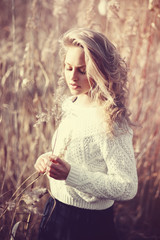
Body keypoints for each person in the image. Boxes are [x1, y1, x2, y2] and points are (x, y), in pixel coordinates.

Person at [34, 28, 138, 240]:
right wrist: (49, 159)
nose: (72, 77)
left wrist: (70, 174)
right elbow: (78, 153)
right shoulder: (71, 104)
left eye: (82, 70)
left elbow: (127, 186)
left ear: (100, 70)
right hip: (54, 210)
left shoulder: (111, 121)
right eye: (68, 67)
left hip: (87, 224)